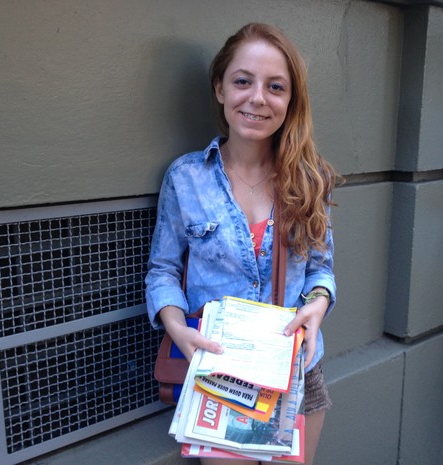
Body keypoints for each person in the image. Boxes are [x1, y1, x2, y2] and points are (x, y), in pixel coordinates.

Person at [145, 23, 339, 465]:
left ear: (291, 101)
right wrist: (176, 328)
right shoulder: (186, 178)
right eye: (242, 81)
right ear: (219, 88)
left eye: (275, 87)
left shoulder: (312, 179)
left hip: (297, 372)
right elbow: (163, 271)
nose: (257, 98)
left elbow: (321, 271)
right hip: (222, 371)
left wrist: (318, 304)